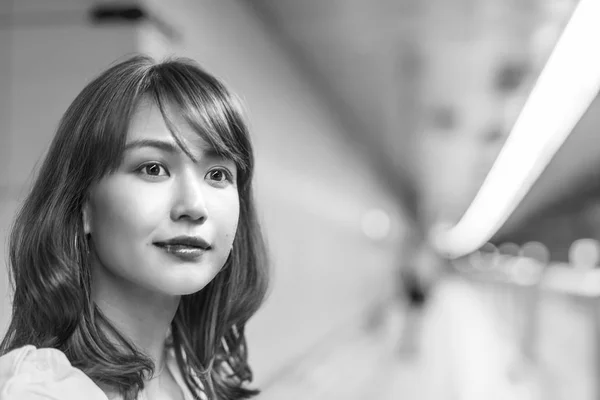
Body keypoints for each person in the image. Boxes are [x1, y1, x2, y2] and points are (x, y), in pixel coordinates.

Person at [0, 55, 269, 400]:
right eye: (153, 168)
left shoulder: (194, 380)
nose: (194, 207)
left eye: (217, 174)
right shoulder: (38, 392)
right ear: (82, 204)